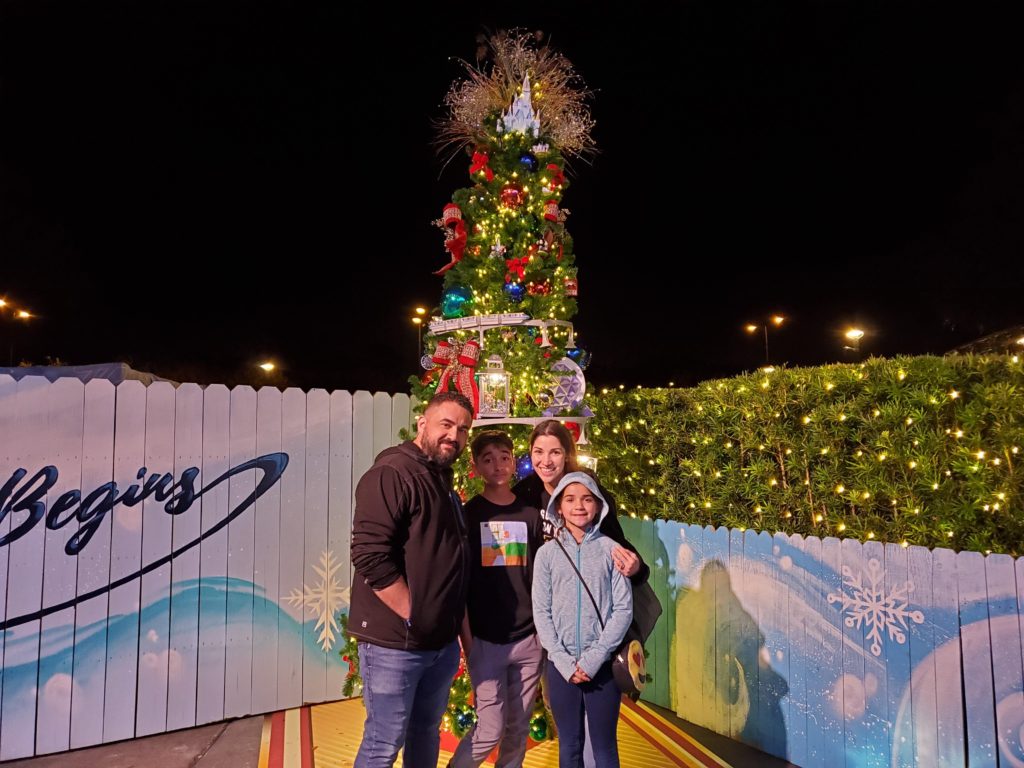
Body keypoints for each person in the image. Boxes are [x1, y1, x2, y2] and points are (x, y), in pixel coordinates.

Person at [349, 391, 474, 768]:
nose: (454, 435)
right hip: (395, 646)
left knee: (425, 731)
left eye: (463, 429)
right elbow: (370, 555)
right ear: (423, 424)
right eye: (446, 425)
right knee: (384, 743)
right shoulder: (393, 473)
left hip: (438, 645)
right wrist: (412, 615)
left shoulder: (440, 479)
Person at [449, 430, 545, 768]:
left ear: (513, 462)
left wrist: (541, 634)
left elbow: (538, 577)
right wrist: (468, 639)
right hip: (485, 641)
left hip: (528, 639)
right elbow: (459, 581)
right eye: (488, 459)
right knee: (490, 728)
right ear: (476, 467)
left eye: (504, 457)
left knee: (518, 729)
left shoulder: (530, 515)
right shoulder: (467, 514)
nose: (498, 465)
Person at [532, 472, 633, 768]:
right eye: (570, 499)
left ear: (598, 506)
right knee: (570, 747)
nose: (579, 506)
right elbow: (542, 611)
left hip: (601, 668)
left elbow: (623, 610)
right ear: (558, 507)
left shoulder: (612, 550)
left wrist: (593, 659)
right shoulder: (546, 555)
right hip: (561, 669)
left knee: (604, 749)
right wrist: (563, 661)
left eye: (587, 498)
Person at [513, 419, 649, 586]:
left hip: (587, 591)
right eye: (539, 452)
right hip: (544, 595)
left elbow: (617, 543)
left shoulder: (588, 490)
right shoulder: (524, 493)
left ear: (567, 454)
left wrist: (637, 570)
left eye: (555, 452)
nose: (546, 461)